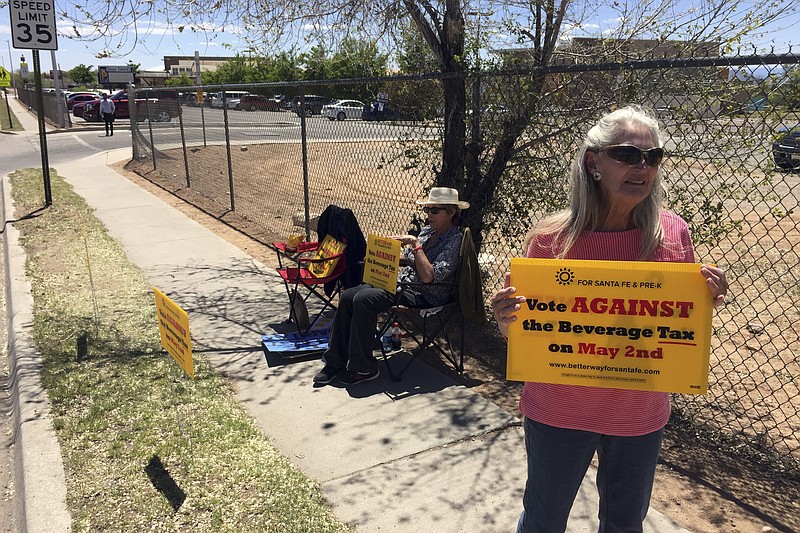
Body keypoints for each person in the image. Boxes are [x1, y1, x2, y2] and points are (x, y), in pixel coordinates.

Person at [490, 105, 729, 533]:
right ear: (593, 161)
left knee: (623, 523)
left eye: (653, 157)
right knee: (543, 518)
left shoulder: (673, 233)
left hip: (637, 411)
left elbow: (675, 327)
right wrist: (506, 319)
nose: (643, 167)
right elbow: (525, 336)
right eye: (627, 154)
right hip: (558, 409)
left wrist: (703, 305)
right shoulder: (548, 240)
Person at [313, 187, 469, 386]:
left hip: (426, 293)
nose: (429, 215)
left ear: (451, 212)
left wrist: (414, 244)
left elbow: (429, 277)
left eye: (435, 210)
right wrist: (382, 254)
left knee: (364, 299)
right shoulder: (428, 232)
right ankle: (335, 362)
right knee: (349, 295)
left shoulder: (454, 240)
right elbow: (410, 260)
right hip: (404, 283)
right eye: (427, 210)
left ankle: (364, 367)